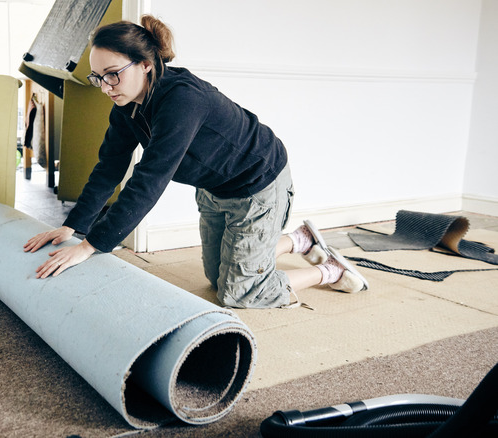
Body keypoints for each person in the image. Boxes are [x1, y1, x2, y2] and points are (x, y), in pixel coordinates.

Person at [23, 15, 368, 308]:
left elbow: (149, 179)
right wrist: (75, 225)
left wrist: (91, 246)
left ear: (145, 64)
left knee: (239, 293)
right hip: (214, 188)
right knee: (216, 277)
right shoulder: (126, 105)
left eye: (113, 74)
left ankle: (330, 271)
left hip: (258, 185)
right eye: (98, 77)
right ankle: (300, 240)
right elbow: (110, 166)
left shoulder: (182, 100)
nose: (105, 87)